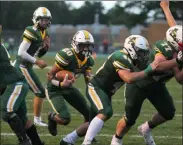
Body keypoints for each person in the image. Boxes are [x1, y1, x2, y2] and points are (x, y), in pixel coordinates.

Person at [110, 1, 183, 145]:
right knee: (130, 118)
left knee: (168, 112)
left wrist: (165, 8)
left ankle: (146, 128)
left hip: (157, 85)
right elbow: (158, 66)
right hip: (139, 82)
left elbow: (180, 79)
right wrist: (178, 61)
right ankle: (116, 139)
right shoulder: (164, 47)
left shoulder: (176, 40)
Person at [81, 35, 158, 145]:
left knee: (95, 120)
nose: (143, 55)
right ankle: (86, 143)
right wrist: (147, 71)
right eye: (141, 52)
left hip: (106, 91)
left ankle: (68, 139)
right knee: (106, 112)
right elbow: (129, 78)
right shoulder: (120, 56)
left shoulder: (133, 59)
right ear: (131, 49)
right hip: (96, 87)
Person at [46, 30, 96, 145]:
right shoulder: (66, 55)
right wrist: (60, 84)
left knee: (90, 115)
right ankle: (52, 117)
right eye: (83, 45)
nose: (85, 49)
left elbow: (89, 79)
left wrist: (95, 89)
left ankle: (89, 135)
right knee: (65, 119)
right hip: (55, 89)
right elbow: (50, 75)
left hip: (69, 88)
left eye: (88, 46)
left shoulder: (88, 59)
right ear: (75, 44)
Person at [0, 25, 44, 145]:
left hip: (14, 84)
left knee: (6, 111)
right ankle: (37, 142)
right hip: (15, 84)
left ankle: (24, 140)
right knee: (22, 119)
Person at [14, 7, 52, 126]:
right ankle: (36, 120)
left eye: (47, 20)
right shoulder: (31, 30)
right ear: (36, 19)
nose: (46, 22)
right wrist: (37, 62)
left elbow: (36, 52)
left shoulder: (44, 32)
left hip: (27, 65)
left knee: (19, 92)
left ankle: (33, 119)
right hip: (22, 65)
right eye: (43, 20)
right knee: (40, 91)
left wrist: (45, 49)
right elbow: (21, 52)